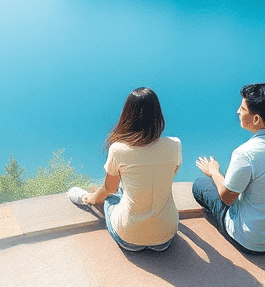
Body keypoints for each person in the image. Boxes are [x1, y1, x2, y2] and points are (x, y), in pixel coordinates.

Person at [194, 83, 265, 253]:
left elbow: (227, 198)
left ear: (256, 119)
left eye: (242, 108)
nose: (238, 112)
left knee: (200, 185)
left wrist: (214, 172)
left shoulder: (245, 153)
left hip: (254, 242)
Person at [68, 87, 182, 252]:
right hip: (166, 237)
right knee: (128, 187)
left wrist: (91, 199)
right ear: (158, 114)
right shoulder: (175, 144)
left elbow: (109, 188)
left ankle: (84, 197)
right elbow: (169, 175)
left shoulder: (118, 149)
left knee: (110, 198)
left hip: (128, 238)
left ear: (128, 115)